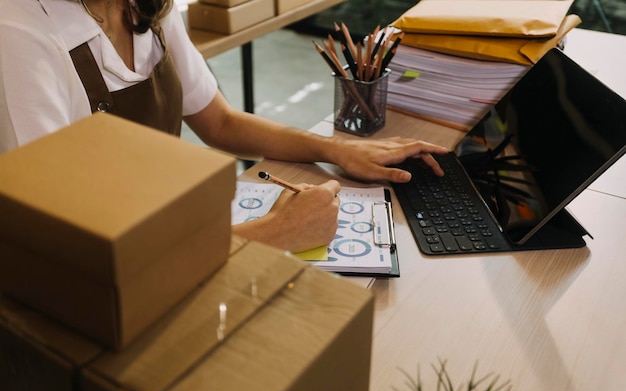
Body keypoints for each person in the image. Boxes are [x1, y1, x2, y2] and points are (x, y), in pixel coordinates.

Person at [0, 0, 449, 253]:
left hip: (174, 239)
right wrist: (273, 234)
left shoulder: (142, 5)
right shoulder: (19, 33)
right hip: (117, 279)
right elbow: (62, 251)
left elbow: (219, 121)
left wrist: (336, 150)